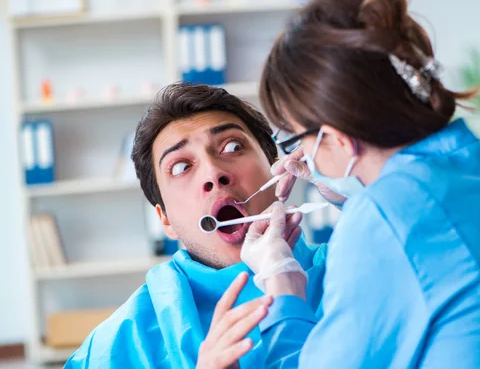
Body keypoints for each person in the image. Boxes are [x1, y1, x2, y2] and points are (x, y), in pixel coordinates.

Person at [224, 0, 480, 368]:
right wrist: (351, 191)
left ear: (335, 139)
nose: (295, 153)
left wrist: (281, 281)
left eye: (294, 138)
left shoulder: (382, 221)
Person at [64, 84, 328, 368]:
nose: (213, 173)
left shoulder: (359, 270)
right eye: (180, 167)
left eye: (232, 146)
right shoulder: (116, 346)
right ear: (165, 219)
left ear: (278, 168)